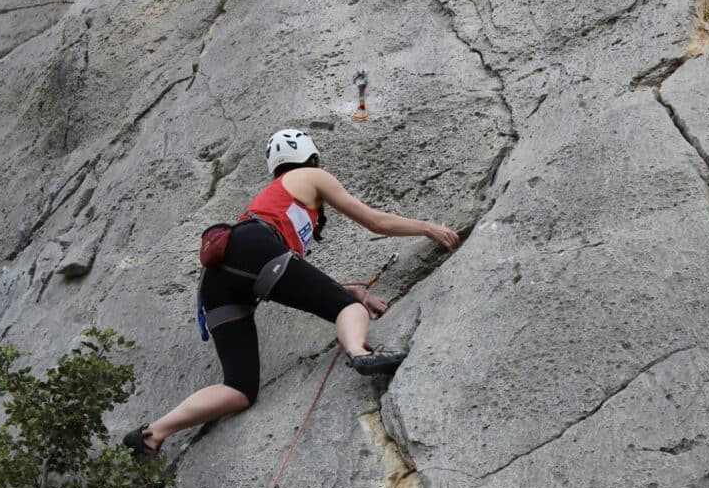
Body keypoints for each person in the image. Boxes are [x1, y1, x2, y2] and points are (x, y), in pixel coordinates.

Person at [123, 129, 459, 455]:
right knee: (349, 309)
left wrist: (345, 291)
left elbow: (295, 279)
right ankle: (360, 353)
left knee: (240, 388)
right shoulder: (312, 175)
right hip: (254, 250)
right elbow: (375, 222)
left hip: (217, 279)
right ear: (310, 156)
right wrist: (426, 228)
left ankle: (152, 434)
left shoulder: (274, 199)